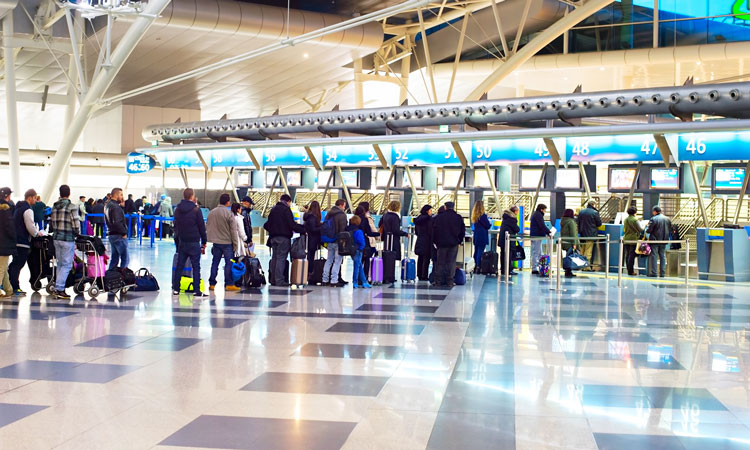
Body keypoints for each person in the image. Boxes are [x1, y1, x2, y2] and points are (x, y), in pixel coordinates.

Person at [172, 188, 208, 297]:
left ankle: (176, 288)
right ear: (192, 196)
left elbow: (176, 226)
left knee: (180, 266)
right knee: (196, 266)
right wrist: (204, 241)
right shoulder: (196, 210)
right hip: (194, 242)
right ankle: (196, 290)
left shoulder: (178, 210)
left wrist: (177, 241)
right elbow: (202, 227)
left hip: (183, 242)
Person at [265, 194, 305, 287]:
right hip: (283, 238)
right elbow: (291, 224)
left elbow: (266, 224)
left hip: (273, 238)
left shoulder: (273, 209)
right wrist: (303, 229)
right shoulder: (286, 210)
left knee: (275, 258)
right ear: (288, 201)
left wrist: (273, 230)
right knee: (281, 258)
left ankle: (273, 280)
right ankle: (279, 280)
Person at [10, 189, 44, 296]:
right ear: (30, 197)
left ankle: (7, 283)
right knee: (18, 263)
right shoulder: (28, 210)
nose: (35, 200)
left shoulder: (18, 207)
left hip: (15, 239)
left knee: (15, 263)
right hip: (22, 241)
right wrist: (37, 234)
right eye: (34, 198)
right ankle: (15, 287)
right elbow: (30, 226)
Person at [49, 185, 80, 299]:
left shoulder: (54, 206)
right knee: (67, 265)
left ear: (60, 193)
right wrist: (77, 233)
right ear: (69, 193)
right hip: (67, 239)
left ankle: (58, 286)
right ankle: (59, 288)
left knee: (60, 264)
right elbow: (76, 224)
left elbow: (52, 222)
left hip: (56, 238)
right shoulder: (72, 207)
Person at [206, 193, 241, 292]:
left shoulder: (212, 212)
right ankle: (229, 284)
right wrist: (235, 244)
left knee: (215, 263)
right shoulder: (229, 214)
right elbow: (233, 231)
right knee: (229, 263)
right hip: (227, 243)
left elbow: (208, 226)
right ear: (227, 202)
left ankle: (212, 284)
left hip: (216, 243)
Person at [431, 202, 465, 287]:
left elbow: (434, 231)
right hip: (453, 243)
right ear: (453, 207)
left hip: (441, 244)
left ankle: (438, 281)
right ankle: (450, 281)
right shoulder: (458, 217)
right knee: (451, 262)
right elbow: (462, 231)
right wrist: (459, 241)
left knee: (440, 262)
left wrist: (435, 241)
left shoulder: (439, 217)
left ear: (445, 207)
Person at [322, 199, 348, 287]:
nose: (344, 208)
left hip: (329, 240)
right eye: (344, 206)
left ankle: (324, 280)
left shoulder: (328, 214)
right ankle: (334, 280)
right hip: (338, 241)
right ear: (341, 205)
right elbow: (343, 229)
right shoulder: (341, 215)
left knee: (329, 260)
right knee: (337, 261)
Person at [105, 188, 129, 270]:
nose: (122, 197)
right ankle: (123, 277)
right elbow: (117, 222)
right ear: (116, 195)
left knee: (114, 259)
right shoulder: (115, 207)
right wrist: (124, 233)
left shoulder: (108, 205)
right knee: (125, 258)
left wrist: (121, 207)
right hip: (118, 236)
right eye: (121, 195)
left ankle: (110, 277)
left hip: (112, 235)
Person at [355, 202, 379, 280]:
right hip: (366, 242)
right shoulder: (366, 218)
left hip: (355, 242)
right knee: (367, 260)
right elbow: (371, 231)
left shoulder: (353, 219)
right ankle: (365, 278)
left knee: (358, 261)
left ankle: (357, 279)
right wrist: (378, 235)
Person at [647, 206, 672, 278]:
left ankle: (654, 272)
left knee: (654, 256)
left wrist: (647, 229)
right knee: (662, 256)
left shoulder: (653, 219)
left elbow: (649, 230)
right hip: (664, 240)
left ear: (655, 211)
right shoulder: (667, 219)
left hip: (655, 240)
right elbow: (670, 228)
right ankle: (662, 273)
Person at [0, 187, 16, 298]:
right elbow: (10, 228)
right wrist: (14, 239)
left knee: (3, 267)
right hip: (4, 243)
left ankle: (9, 290)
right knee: (2, 268)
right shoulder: (5, 210)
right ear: (7, 196)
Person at [577, 201, 602, 270]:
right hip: (590, 234)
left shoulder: (581, 212)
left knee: (582, 251)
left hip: (582, 234)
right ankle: (586, 267)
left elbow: (578, 222)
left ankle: (581, 266)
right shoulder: (594, 212)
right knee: (588, 252)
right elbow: (599, 223)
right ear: (593, 204)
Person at [347, 215, 371, 289]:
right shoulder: (358, 231)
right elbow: (362, 242)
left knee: (359, 265)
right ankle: (355, 282)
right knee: (357, 266)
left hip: (351, 250)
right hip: (358, 250)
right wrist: (361, 248)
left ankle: (364, 281)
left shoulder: (348, 230)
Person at [530, 204, 552, 275]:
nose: (545, 211)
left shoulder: (536, 214)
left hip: (536, 236)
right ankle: (534, 268)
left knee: (538, 252)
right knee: (536, 252)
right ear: (541, 209)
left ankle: (541, 268)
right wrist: (548, 232)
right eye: (545, 209)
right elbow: (541, 225)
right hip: (537, 236)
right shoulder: (538, 215)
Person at [413, 204, 434, 281]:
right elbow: (430, 231)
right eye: (431, 210)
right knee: (426, 259)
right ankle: (424, 275)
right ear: (427, 211)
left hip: (420, 240)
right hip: (427, 241)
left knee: (420, 258)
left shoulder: (418, 219)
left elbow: (416, 232)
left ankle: (419, 274)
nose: (431, 212)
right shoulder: (429, 219)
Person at [498, 206, 521, 277]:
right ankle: (508, 270)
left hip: (502, 239)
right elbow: (517, 229)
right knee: (508, 255)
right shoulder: (512, 219)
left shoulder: (505, 217)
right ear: (515, 211)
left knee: (503, 255)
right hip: (509, 241)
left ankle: (503, 270)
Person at [623, 206, 644, 276]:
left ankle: (628, 269)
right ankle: (631, 271)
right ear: (635, 212)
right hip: (633, 239)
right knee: (632, 255)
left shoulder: (625, 219)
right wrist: (644, 225)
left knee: (627, 255)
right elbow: (641, 229)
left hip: (626, 238)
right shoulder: (635, 220)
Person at [471, 201, 491, 268]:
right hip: (482, 236)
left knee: (476, 251)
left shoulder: (475, 216)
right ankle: (478, 266)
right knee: (480, 251)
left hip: (476, 235)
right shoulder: (483, 216)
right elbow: (488, 225)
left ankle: (474, 265)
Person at [303, 201, 322, 271]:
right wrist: (321, 227)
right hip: (312, 240)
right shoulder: (313, 217)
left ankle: (308, 273)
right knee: (311, 257)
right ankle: (310, 272)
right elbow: (313, 229)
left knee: (309, 256)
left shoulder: (308, 216)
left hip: (309, 239)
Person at [560, 209, 579, 278]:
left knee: (567, 256)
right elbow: (573, 233)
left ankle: (567, 270)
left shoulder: (563, 221)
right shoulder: (571, 222)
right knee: (570, 257)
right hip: (570, 242)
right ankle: (568, 271)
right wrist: (574, 243)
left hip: (565, 242)